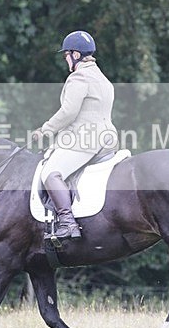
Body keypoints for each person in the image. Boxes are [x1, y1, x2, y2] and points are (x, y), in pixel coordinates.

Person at [31, 31, 118, 239]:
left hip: (85, 140)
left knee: (50, 173)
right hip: (107, 139)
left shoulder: (79, 77)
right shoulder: (102, 78)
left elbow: (69, 112)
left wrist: (45, 130)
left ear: (75, 55)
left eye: (66, 55)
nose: (65, 59)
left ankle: (67, 222)